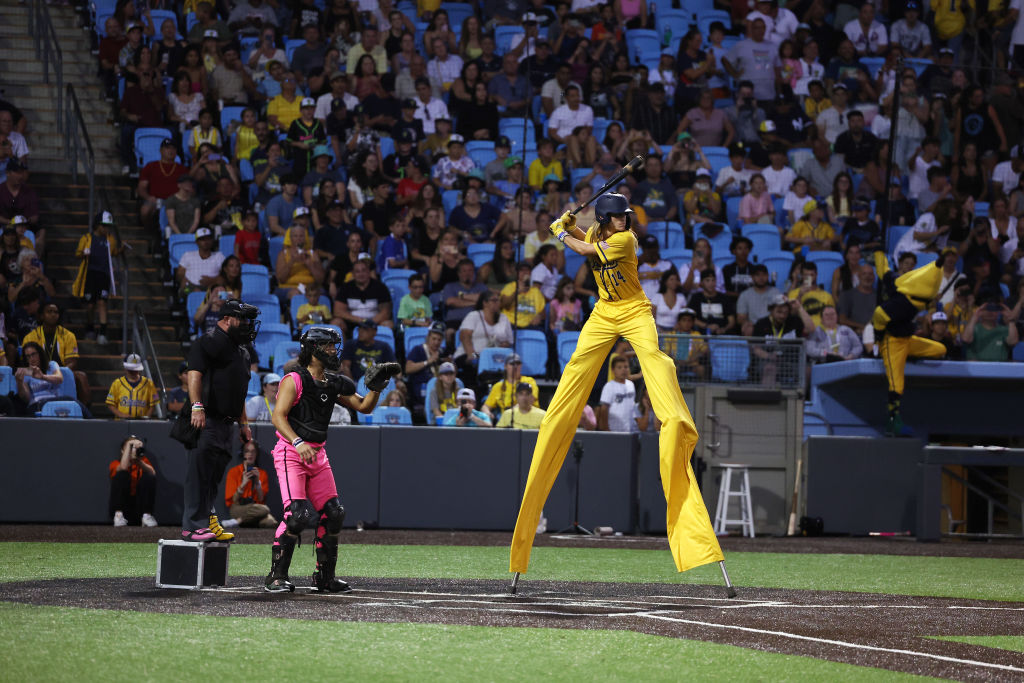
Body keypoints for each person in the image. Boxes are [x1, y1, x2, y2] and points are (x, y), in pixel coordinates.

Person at [510, 194, 724, 579]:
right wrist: (570, 222)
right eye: (621, 216)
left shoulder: (625, 241)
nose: (627, 221)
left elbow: (584, 247)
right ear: (608, 218)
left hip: (635, 310)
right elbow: (584, 236)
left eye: (628, 216)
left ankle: (672, 413)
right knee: (576, 366)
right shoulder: (598, 230)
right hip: (604, 312)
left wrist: (561, 233)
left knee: (656, 360)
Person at [264, 327, 399, 592]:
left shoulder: (335, 381)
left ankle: (324, 578)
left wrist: (375, 388)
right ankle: (275, 577)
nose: (333, 351)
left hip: (317, 454)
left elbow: (364, 407)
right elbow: (278, 417)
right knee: (297, 515)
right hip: (291, 451)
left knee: (334, 513)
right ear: (313, 350)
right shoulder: (294, 379)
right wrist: (298, 442)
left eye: (333, 346)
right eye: (327, 346)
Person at [183, 299, 259, 542]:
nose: (247, 325)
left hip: (228, 424)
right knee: (200, 474)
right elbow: (194, 374)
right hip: (207, 419)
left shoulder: (243, 352)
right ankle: (192, 527)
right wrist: (197, 407)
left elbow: (240, 392)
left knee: (213, 477)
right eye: (242, 319)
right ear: (226, 319)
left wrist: (244, 423)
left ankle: (207, 521)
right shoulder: (208, 341)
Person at [871, 249, 957, 436]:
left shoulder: (899, 283)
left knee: (940, 348)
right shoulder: (904, 303)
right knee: (896, 384)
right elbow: (879, 314)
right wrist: (878, 336)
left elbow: (884, 271)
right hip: (892, 342)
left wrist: (879, 252)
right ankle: (893, 421)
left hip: (908, 340)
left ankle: (910, 356)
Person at [72, 211, 121, 345]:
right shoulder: (87, 238)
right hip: (90, 274)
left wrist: (121, 250)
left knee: (102, 302)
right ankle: (89, 327)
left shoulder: (110, 239)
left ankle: (103, 332)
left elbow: (114, 253)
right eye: (104, 226)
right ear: (97, 225)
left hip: (103, 275)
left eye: (108, 226)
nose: (106, 229)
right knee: (90, 304)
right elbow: (78, 254)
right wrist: (83, 254)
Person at [224, 439, 278, 528]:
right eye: (247, 451)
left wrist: (257, 483)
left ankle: (238, 521)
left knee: (271, 522)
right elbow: (233, 501)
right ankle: (245, 520)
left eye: (253, 451)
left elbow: (261, 500)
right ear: (242, 453)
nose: (250, 454)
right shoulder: (233, 472)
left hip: (256, 509)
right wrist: (243, 484)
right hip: (238, 508)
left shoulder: (261, 473)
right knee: (264, 510)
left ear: (256, 454)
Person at [109, 436, 158, 528]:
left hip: (139, 508)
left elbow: (153, 473)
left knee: (149, 476)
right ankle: (118, 516)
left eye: (136, 448)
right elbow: (123, 467)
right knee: (121, 474)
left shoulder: (143, 462)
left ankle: (147, 516)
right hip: (123, 508)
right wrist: (129, 445)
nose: (134, 450)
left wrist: (138, 461)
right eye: (132, 448)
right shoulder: (115, 464)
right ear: (123, 450)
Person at [482, 353, 539, 420]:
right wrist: (487, 413)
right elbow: (486, 406)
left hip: (529, 417)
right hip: (506, 420)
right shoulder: (498, 386)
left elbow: (530, 400)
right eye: (512, 363)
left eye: (518, 363)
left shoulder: (529, 381)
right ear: (505, 366)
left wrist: (511, 411)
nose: (515, 366)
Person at [106, 353, 160, 419]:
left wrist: (146, 418)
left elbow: (153, 404)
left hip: (141, 422)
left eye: (135, 370)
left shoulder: (149, 383)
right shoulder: (117, 383)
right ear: (125, 368)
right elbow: (110, 404)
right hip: (121, 423)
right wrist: (121, 415)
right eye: (130, 370)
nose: (133, 372)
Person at [597, 354, 637, 432]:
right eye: (619, 367)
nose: (623, 370)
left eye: (626, 367)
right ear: (613, 370)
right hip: (614, 430)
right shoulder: (609, 386)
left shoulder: (631, 385)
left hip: (630, 430)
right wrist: (606, 428)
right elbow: (604, 409)